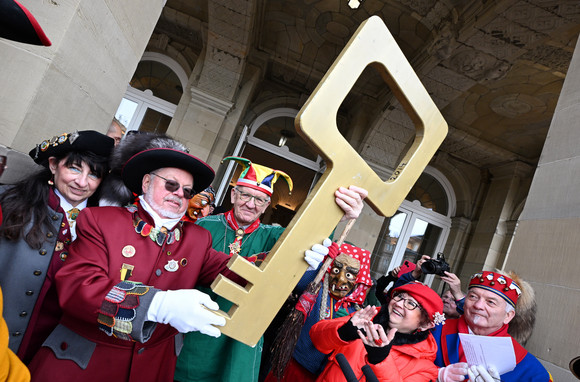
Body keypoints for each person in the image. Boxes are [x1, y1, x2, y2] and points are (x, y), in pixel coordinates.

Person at [26, 147, 329, 381]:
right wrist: (157, 305)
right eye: (171, 185)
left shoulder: (195, 239)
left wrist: (295, 258)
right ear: (146, 182)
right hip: (84, 366)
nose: (179, 195)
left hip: (152, 370)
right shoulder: (100, 220)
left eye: (187, 191)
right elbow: (78, 288)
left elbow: (235, 270)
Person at [174, 156, 368, 382]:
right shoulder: (203, 227)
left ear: (267, 205)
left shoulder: (276, 237)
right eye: (245, 195)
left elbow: (309, 238)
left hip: (243, 334)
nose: (251, 204)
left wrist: (339, 215)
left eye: (260, 199)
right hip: (198, 330)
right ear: (233, 195)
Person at [0, 131, 113, 364]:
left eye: (94, 174)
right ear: (53, 165)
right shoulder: (9, 203)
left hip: (57, 357)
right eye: (74, 168)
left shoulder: (108, 226)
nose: (82, 182)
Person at [265, 243, 373, 381]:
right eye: (336, 270)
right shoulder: (316, 287)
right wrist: (317, 264)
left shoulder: (355, 311)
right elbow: (298, 281)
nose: (340, 279)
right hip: (291, 363)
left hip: (320, 375)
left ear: (358, 280)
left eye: (349, 274)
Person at [310, 280, 445, 381]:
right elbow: (315, 337)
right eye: (400, 297)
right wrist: (343, 333)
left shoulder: (425, 368)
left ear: (426, 324)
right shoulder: (367, 318)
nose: (398, 303)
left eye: (410, 303)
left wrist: (381, 360)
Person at [435, 271, 552, 382]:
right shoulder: (433, 330)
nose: (478, 305)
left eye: (490, 302)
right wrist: (436, 375)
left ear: (508, 316)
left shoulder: (526, 365)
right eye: (473, 297)